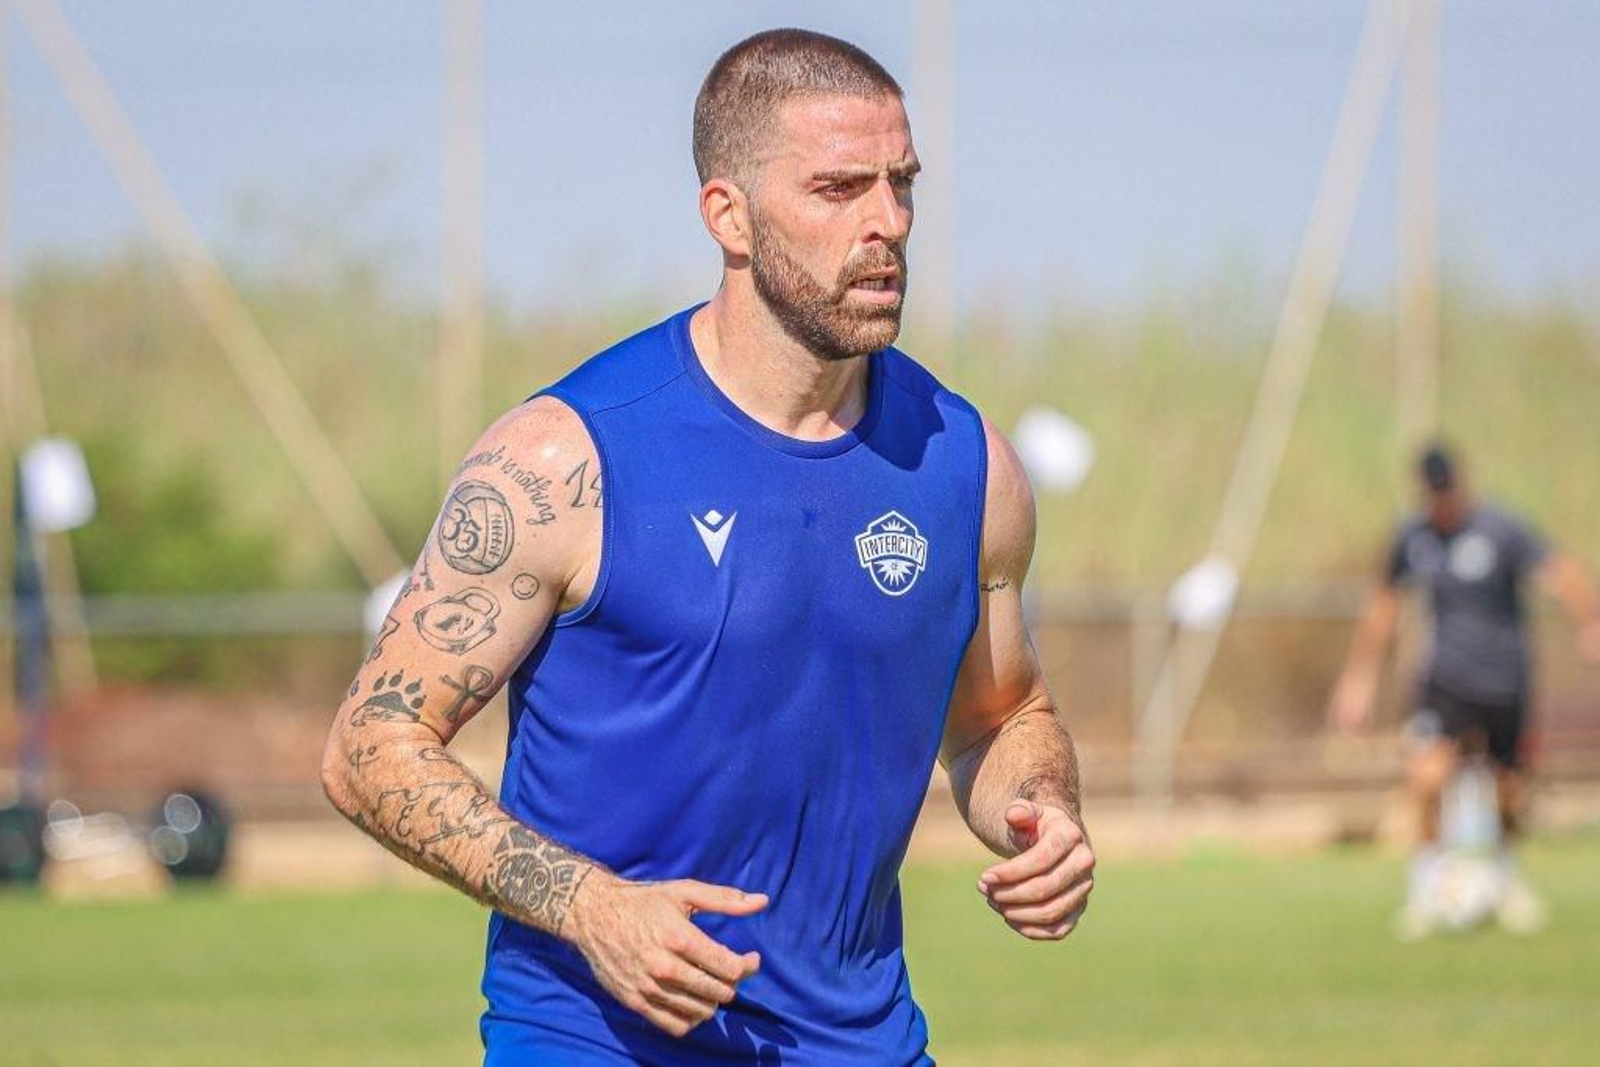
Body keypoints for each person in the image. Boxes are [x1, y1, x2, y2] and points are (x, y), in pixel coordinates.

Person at [321, 28, 1094, 1064]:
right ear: (727, 214)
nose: (887, 222)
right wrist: (593, 906)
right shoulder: (564, 460)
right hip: (596, 1039)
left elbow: (1002, 715)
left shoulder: (967, 465)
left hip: (859, 1042)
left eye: (901, 183)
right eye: (838, 188)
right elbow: (369, 746)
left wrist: (1041, 814)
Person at [1329, 444, 1600, 939]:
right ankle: (1425, 886)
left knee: (1508, 793)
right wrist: (1358, 680)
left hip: (1505, 679)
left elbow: (1560, 571)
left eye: (1448, 491)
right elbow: (1384, 605)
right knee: (1426, 778)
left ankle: (1506, 876)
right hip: (1445, 681)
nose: (1442, 502)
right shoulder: (1414, 537)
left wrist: (1589, 623)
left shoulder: (1502, 529)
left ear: (1461, 484)